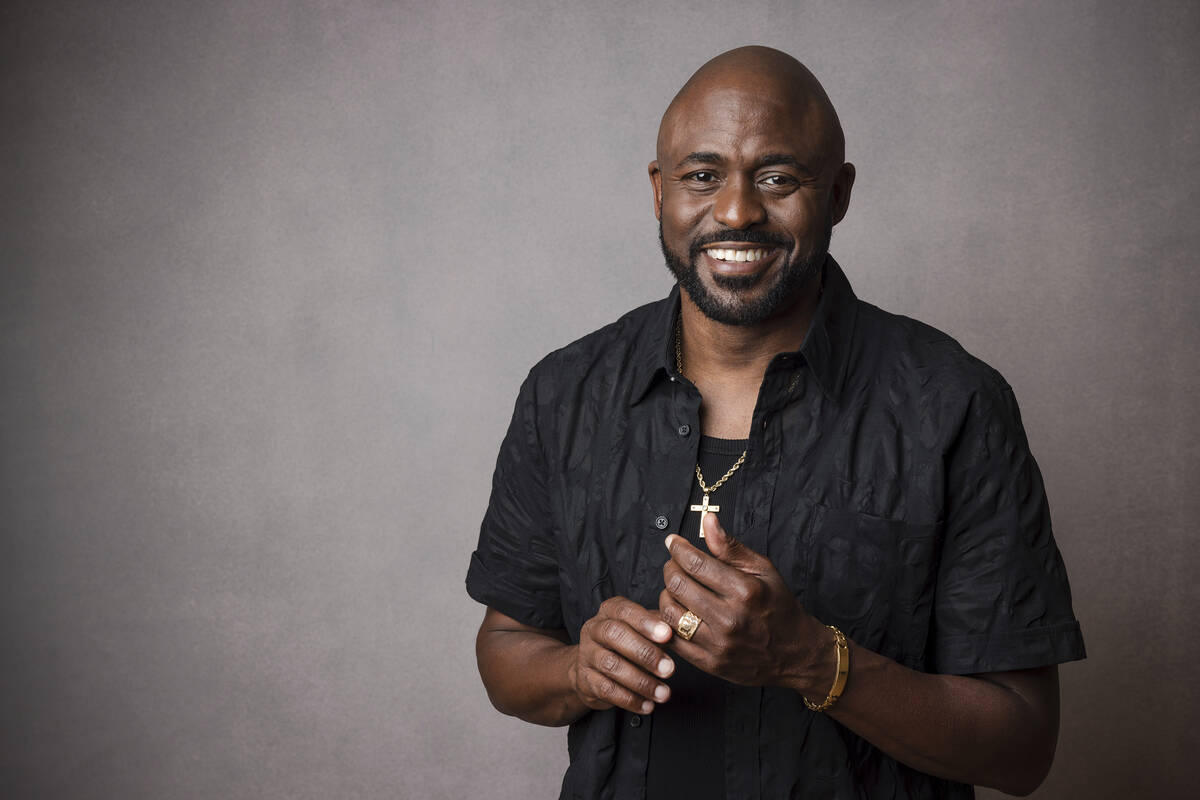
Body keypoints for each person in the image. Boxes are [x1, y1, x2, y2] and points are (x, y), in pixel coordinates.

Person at [466, 45, 1085, 799]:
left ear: (839, 194)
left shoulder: (953, 406)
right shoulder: (565, 395)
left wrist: (812, 661)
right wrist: (577, 669)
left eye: (777, 177)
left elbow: (1021, 748)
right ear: (659, 192)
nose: (735, 211)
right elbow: (506, 647)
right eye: (702, 176)